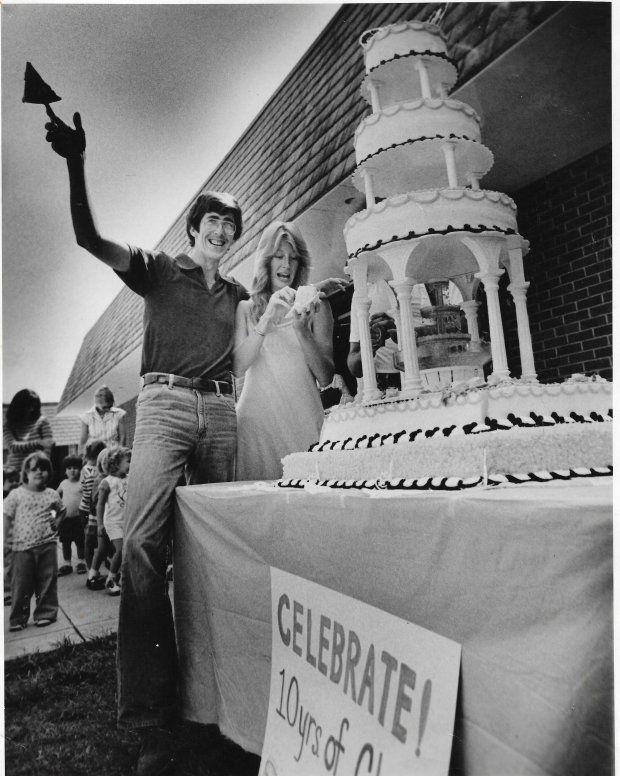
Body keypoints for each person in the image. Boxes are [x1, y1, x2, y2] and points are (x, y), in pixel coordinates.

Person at [44, 109, 345, 775]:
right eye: (212, 217)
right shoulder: (157, 271)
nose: (221, 227)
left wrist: (319, 295)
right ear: (194, 226)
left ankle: (223, 698)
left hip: (219, 415)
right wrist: (75, 161)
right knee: (144, 550)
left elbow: (262, 330)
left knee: (219, 552)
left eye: (230, 221)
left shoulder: (237, 295)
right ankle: (151, 720)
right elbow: (90, 238)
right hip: (162, 406)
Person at [233, 221, 334, 480]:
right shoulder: (246, 309)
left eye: (293, 258)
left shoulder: (318, 306)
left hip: (303, 419)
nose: (286, 265)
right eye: (278, 256)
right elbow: (238, 367)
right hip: (256, 425)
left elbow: (325, 377)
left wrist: (302, 330)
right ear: (265, 260)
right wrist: (267, 318)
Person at [4, 451, 66, 631]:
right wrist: (4, 542)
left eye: (44, 469)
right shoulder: (16, 494)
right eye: (34, 469)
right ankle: (18, 618)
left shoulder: (52, 494)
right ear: (25, 473)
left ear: (49, 472)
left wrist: (57, 522)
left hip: (47, 545)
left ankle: (45, 613)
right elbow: (6, 517)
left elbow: (62, 510)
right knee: (21, 583)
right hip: (21, 547)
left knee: (47, 580)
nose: (39, 472)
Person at [95, 447, 131, 596]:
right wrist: (99, 524)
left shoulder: (130, 478)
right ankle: (111, 579)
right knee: (121, 549)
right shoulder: (107, 482)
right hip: (113, 522)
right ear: (116, 464)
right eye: (128, 461)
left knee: (127, 550)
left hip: (127, 520)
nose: (131, 463)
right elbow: (100, 504)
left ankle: (122, 578)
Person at [4, 389, 54, 474]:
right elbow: (13, 447)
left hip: (34, 472)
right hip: (14, 473)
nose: (31, 410)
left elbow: (47, 449)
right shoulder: (8, 425)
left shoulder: (42, 421)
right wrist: (38, 442)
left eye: (34, 406)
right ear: (18, 406)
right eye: (28, 406)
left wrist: (40, 470)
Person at [85, 447, 113, 591]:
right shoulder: (100, 480)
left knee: (110, 547)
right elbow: (96, 501)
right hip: (99, 519)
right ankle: (92, 574)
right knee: (101, 547)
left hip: (112, 519)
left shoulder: (115, 479)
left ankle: (112, 572)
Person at [79, 439, 107, 570]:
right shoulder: (92, 473)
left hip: (87, 508)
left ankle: (96, 562)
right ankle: (91, 566)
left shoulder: (86, 468)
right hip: (89, 510)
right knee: (90, 539)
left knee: (94, 538)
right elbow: (93, 497)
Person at [57, 454, 87, 575]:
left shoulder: (81, 483)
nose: (72, 470)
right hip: (65, 519)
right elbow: (54, 495)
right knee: (66, 542)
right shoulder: (63, 483)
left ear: (80, 469)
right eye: (69, 468)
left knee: (80, 541)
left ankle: (81, 562)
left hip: (78, 519)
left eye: (75, 467)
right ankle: (67, 563)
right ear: (65, 470)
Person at [79, 385, 127, 453]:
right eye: (105, 407)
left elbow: (123, 437)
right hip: (94, 453)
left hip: (114, 452)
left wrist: (120, 453)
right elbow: (83, 442)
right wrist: (82, 457)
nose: (107, 410)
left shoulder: (119, 414)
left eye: (109, 407)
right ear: (98, 404)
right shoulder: (86, 416)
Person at [3, 469, 20, 606]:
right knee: (7, 566)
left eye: (16, 480)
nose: (14, 483)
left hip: (19, 539)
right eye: (10, 481)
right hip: (6, 540)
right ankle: (7, 592)